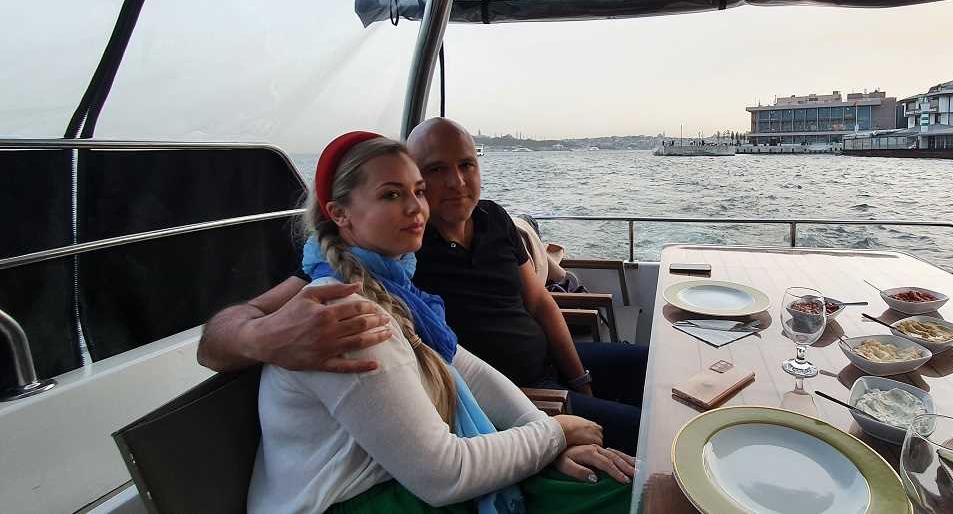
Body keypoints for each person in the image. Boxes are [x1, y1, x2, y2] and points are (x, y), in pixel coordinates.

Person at [198, 121, 648, 455]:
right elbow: (217, 343)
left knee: (651, 364)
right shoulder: (395, 246)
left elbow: (541, 303)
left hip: (545, 372)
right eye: (435, 171)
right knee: (648, 435)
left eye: (467, 164)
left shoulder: (491, 220)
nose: (456, 182)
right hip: (512, 397)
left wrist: (580, 380)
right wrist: (265, 337)